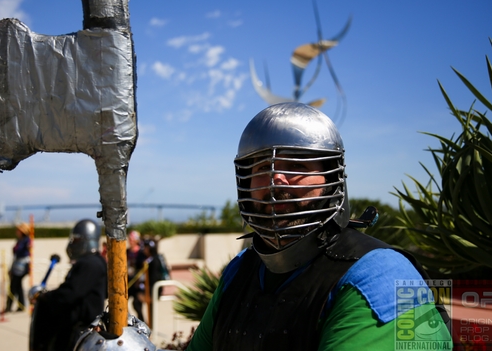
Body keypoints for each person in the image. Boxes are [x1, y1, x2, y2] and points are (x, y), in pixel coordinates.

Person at [186, 103, 453, 350]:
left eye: (296, 165)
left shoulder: (382, 276)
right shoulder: (241, 269)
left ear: (331, 180)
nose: (276, 179)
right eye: (261, 168)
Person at [30, 219, 107, 351]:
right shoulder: (90, 262)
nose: (72, 244)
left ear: (86, 239)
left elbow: (71, 293)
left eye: (76, 240)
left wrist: (45, 297)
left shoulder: (90, 264)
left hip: (80, 330)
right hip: (75, 328)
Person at [5, 222, 31, 313]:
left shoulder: (27, 240)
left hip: (22, 266)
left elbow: (28, 250)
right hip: (16, 264)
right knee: (18, 286)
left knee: (13, 286)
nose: (17, 232)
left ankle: (9, 306)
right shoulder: (20, 240)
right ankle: (21, 305)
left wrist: (29, 247)